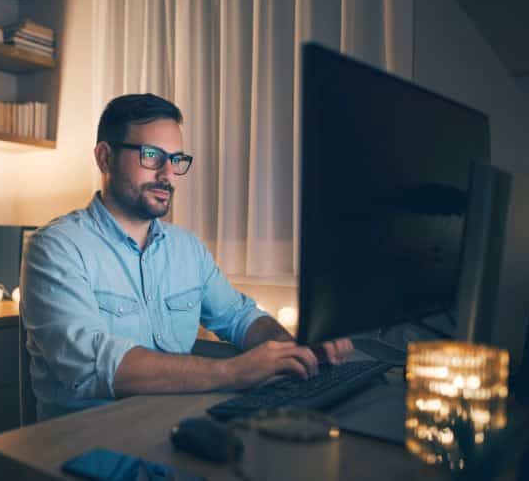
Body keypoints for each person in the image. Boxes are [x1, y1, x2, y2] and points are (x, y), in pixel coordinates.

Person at [20, 93, 353, 421]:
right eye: (152, 156)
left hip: (174, 428)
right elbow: (92, 365)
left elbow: (239, 317)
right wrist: (233, 372)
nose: (168, 174)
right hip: (81, 444)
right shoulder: (56, 247)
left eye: (176, 160)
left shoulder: (187, 248)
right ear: (105, 157)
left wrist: (294, 347)